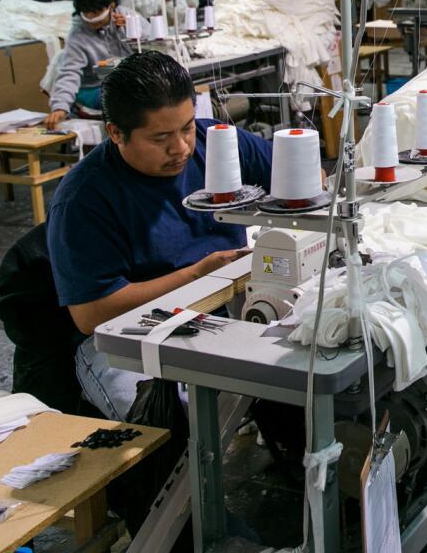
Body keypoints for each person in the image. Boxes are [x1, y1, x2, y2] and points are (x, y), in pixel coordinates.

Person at [47, 51, 271, 418]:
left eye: (185, 127)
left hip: (222, 311)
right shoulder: (84, 200)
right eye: (161, 137)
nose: (182, 147)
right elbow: (91, 314)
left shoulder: (213, 141)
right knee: (174, 420)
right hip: (129, 335)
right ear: (116, 133)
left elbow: (304, 180)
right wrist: (197, 275)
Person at [44, 0, 133, 130]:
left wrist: (133, 28)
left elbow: (152, 46)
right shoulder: (78, 36)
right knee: (125, 94)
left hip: (123, 80)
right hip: (93, 87)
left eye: (97, 14)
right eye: (87, 14)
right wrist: (60, 106)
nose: (92, 21)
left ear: (110, 6)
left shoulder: (127, 17)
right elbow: (69, 72)